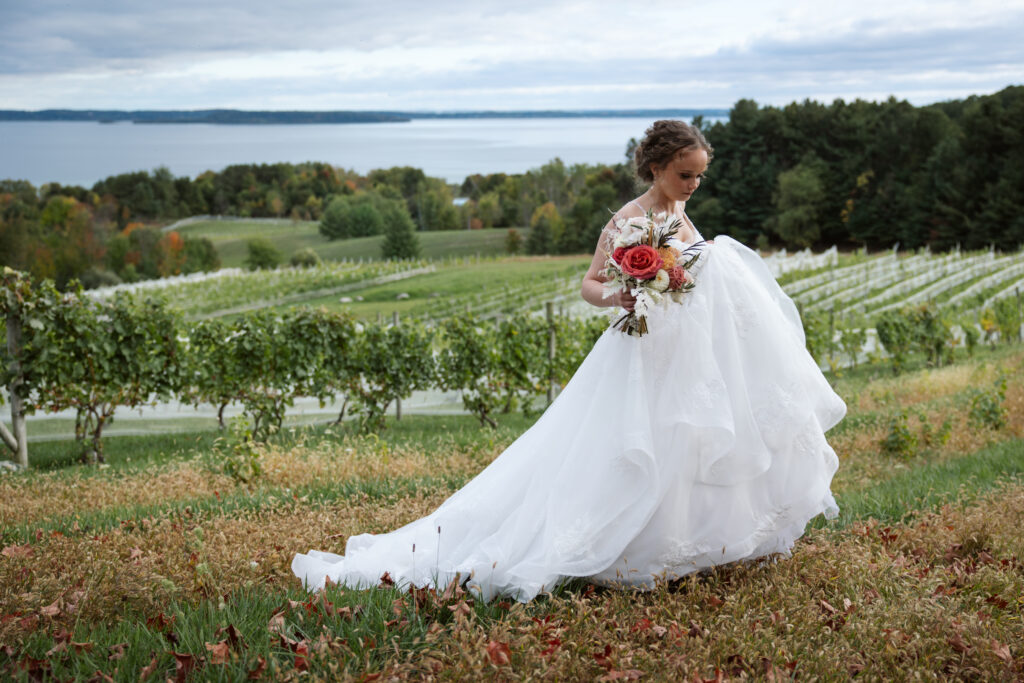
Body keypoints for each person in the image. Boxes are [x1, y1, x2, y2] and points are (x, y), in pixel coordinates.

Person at [293, 120, 846, 602]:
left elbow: (692, 271)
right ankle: (627, 547)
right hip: (644, 346)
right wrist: (622, 294)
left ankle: (699, 541)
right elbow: (590, 285)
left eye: (700, 176)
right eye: (685, 176)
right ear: (656, 169)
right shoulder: (627, 220)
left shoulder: (680, 211)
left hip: (687, 348)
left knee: (690, 440)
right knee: (638, 445)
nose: (693, 185)